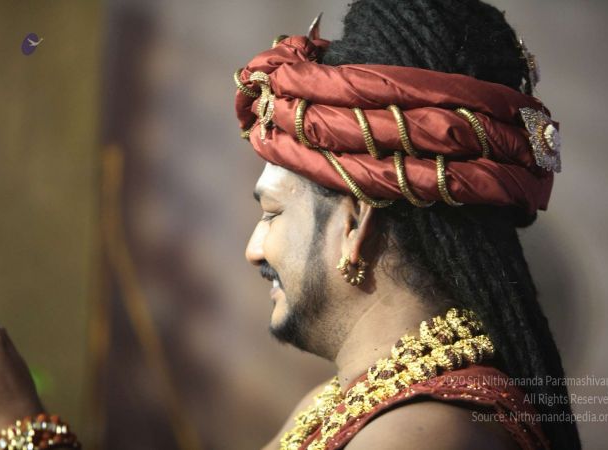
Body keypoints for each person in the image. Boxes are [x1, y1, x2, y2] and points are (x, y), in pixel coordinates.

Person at [236, 0, 581, 449]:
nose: (254, 249)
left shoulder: (420, 435)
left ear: (355, 222)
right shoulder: (332, 403)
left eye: (272, 213)